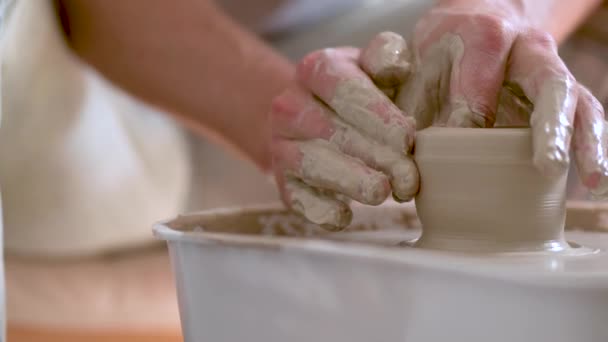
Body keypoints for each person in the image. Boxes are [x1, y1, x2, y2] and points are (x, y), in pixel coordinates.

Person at [0, 0, 606, 340]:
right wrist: (268, 104)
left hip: (419, 18)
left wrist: (510, 14)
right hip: (167, 36)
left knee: (565, 109)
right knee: (82, 203)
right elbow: (98, 13)